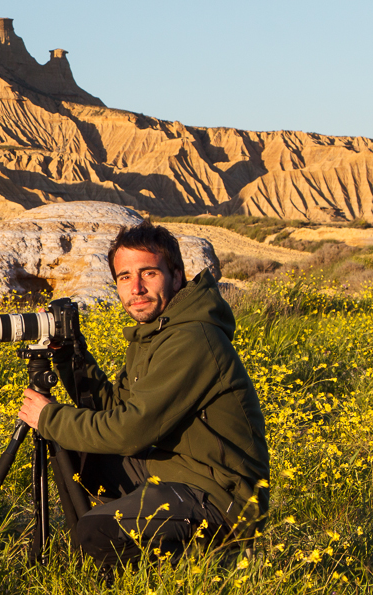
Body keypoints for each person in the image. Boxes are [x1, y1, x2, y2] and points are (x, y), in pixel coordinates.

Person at [18, 220, 269, 569]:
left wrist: (49, 417)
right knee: (73, 450)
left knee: (99, 531)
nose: (135, 287)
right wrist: (71, 358)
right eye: (124, 277)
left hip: (220, 495)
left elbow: (131, 431)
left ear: (177, 276)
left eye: (148, 273)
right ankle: (104, 547)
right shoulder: (155, 332)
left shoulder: (193, 338)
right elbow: (116, 408)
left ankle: (202, 565)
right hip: (176, 469)